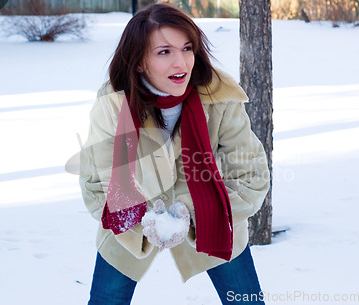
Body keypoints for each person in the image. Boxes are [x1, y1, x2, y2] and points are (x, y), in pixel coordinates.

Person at [79, 3, 270, 305]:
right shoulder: (114, 103)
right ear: (139, 62)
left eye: (187, 48)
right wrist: (142, 222)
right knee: (107, 300)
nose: (180, 62)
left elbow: (251, 175)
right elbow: (95, 181)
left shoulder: (218, 97)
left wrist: (197, 217)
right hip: (130, 224)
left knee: (245, 301)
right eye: (164, 52)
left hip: (214, 219)